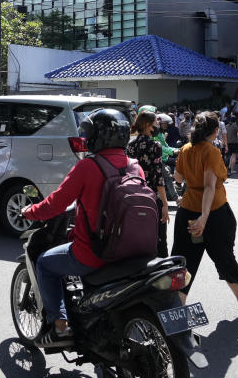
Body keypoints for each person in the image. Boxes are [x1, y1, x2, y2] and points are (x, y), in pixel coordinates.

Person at [22, 108, 146, 347]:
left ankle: (60, 327)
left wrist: (30, 211)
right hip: (134, 251)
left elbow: (56, 204)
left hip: (95, 254)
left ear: (97, 137)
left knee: (45, 263)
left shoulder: (88, 167)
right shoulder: (135, 167)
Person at [172, 112, 238, 311]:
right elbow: (210, 186)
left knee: (184, 261)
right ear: (215, 131)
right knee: (224, 256)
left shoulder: (185, 149)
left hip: (187, 210)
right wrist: (204, 217)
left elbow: (177, 177)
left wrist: (190, 175)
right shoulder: (210, 151)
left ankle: (178, 309)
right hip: (214, 212)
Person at [127, 110, 171, 256]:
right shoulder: (155, 145)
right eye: (155, 124)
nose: (157, 127)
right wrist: (165, 204)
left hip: (135, 196)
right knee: (159, 239)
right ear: (147, 125)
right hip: (153, 198)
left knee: (138, 239)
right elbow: (158, 177)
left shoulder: (131, 145)